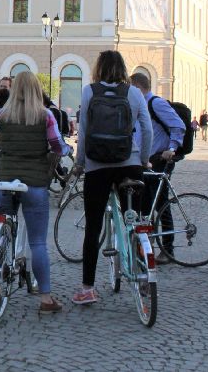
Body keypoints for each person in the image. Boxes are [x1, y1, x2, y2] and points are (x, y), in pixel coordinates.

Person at [70, 50, 152, 306]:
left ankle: (87, 288)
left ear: (99, 68)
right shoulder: (135, 93)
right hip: (129, 164)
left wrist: (80, 162)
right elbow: (147, 129)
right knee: (136, 221)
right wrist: (144, 159)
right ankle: (145, 273)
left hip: (97, 166)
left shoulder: (89, 91)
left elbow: (83, 131)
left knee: (93, 228)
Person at [0, 72, 65, 314]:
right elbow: (57, 145)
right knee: (37, 243)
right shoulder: (46, 116)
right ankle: (45, 299)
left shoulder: (1, 115)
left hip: (3, 181)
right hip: (33, 183)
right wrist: (66, 149)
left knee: (0, 232)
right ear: (36, 90)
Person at [130, 71, 184, 265]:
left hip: (160, 158)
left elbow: (178, 126)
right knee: (145, 204)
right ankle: (147, 247)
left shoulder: (156, 103)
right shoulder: (139, 105)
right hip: (145, 160)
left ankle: (167, 250)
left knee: (160, 203)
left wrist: (172, 148)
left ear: (137, 87)